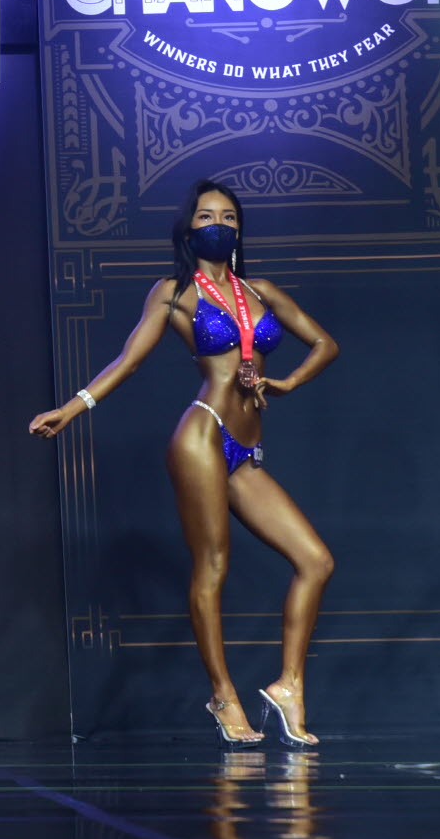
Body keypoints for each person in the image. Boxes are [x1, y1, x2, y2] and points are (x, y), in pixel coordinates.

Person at [29, 179, 340, 747]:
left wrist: (289, 382)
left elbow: (325, 344)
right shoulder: (174, 292)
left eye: (228, 216)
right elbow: (129, 360)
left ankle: (289, 686)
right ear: (188, 228)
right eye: (206, 216)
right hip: (203, 433)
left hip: (246, 449)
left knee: (315, 561)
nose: (218, 224)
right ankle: (223, 694)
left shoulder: (261, 291)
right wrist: (73, 408)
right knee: (213, 566)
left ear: (240, 230)